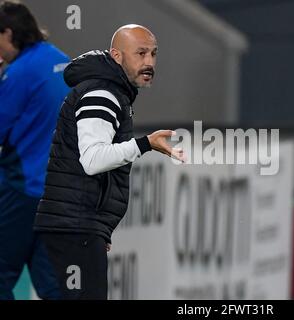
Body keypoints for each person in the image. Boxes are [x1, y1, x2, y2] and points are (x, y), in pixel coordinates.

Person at [34, 24, 184, 300]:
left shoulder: (112, 90)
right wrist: (145, 144)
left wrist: (99, 229)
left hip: (77, 227)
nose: (149, 62)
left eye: (153, 53)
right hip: (73, 228)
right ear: (117, 56)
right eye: (140, 53)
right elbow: (92, 160)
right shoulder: (102, 94)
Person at [0, 1, 70, 300]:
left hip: (21, 191)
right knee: (52, 283)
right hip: (57, 195)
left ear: (7, 33)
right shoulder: (63, 61)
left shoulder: (18, 74)